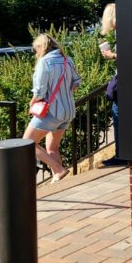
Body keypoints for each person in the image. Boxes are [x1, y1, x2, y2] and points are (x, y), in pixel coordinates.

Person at [26, 33, 81, 180]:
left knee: (27, 143)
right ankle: (58, 181)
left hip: (51, 112)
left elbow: (39, 91)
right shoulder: (67, 60)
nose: (35, 52)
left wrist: (32, 103)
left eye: (35, 48)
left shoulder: (44, 62)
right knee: (52, 148)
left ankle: (57, 169)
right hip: (68, 111)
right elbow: (76, 83)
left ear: (41, 47)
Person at [98, 3, 123, 167]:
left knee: (118, 116)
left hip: (123, 84)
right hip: (128, 82)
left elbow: (127, 56)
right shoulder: (127, 30)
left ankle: (121, 154)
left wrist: (111, 55)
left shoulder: (123, 33)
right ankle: (123, 153)